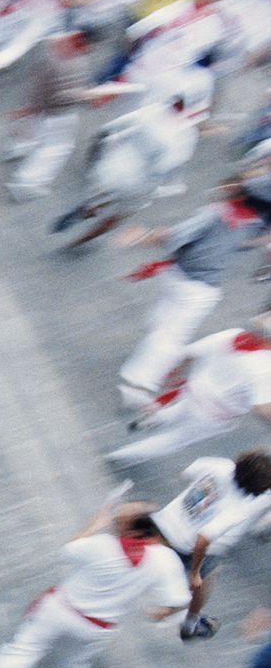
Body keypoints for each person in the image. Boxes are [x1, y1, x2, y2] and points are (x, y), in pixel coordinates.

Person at [0, 500, 189, 668]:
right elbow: (179, 599)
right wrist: (161, 613)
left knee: (23, 650)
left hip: (60, 610)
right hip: (97, 626)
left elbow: (68, 551)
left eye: (119, 518)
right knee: (78, 654)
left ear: (130, 528)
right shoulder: (165, 560)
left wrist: (93, 525)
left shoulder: (102, 544)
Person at [115, 191, 266, 406]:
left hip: (179, 274)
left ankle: (145, 369)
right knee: (170, 336)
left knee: (162, 325)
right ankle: (138, 385)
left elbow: (177, 235)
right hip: (195, 288)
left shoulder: (219, 212)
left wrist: (142, 237)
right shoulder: (255, 224)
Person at [146, 451, 271, 640]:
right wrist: (195, 574)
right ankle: (188, 624)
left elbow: (186, 473)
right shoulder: (240, 507)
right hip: (181, 545)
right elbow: (203, 538)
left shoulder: (221, 465)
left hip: (159, 523)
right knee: (205, 579)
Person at [108, 324, 271, 467]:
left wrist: (174, 373)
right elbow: (261, 408)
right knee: (173, 440)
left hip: (193, 392)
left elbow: (189, 353)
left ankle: (145, 421)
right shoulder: (264, 368)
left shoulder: (233, 334)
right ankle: (122, 455)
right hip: (213, 414)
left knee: (176, 411)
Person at [51, 97, 199, 250]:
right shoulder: (186, 135)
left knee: (102, 194)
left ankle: (89, 207)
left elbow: (111, 127)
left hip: (114, 166)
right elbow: (165, 169)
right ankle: (83, 240)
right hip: (138, 184)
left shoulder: (153, 110)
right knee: (118, 215)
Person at [5, 30, 100, 202]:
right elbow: (65, 94)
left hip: (39, 102)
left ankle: (18, 149)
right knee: (56, 149)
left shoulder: (53, 48)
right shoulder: (76, 62)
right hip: (59, 111)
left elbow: (39, 80)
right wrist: (87, 95)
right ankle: (27, 182)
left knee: (33, 129)